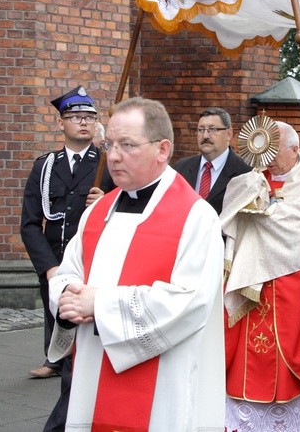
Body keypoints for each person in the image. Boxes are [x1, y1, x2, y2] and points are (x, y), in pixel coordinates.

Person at [47, 97, 226, 431]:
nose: (113, 156)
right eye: (109, 144)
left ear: (162, 149)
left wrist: (98, 304)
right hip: (93, 368)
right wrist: (67, 299)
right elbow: (68, 269)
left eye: (127, 145)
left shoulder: (195, 217)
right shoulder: (97, 211)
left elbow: (189, 301)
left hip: (162, 383)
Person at [222, 121, 300, 431]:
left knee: (292, 344)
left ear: (295, 149)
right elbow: (230, 216)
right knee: (249, 354)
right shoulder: (249, 180)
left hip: (294, 279)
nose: (268, 157)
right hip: (252, 280)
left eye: (275, 150)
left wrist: (272, 219)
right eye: (265, 149)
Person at [20, 86, 114, 431]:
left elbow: (129, 209)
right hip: (56, 259)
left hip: (93, 262)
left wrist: (106, 199)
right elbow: (30, 223)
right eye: (76, 117)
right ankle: (55, 359)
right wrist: (49, 268)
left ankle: (73, 392)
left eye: (89, 117)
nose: (83, 123)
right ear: (62, 123)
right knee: (57, 315)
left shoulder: (107, 164)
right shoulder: (45, 166)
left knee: (84, 329)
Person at [173, 107, 251, 214]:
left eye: (212, 129)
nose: (205, 136)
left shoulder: (245, 173)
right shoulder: (181, 168)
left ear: (229, 134)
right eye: (201, 130)